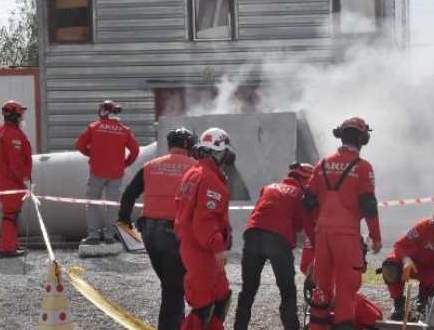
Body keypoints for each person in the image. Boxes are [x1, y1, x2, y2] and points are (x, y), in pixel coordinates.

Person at [303, 116, 383, 330]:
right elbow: (369, 205)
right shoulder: (363, 167)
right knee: (347, 290)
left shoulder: (322, 164)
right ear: (363, 138)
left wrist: (317, 230)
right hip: (346, 235)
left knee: (323, 286)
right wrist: (376, 236)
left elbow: (308, 200)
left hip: (323, 234)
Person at [117, 127, 197, 330]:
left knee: (170, 284)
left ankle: (177, 323)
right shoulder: (195, 168)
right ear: (189, 146)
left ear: (170, 146)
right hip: (174, 232)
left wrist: (124, 222)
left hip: (149, 232)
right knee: (173, 288)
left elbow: (128, 194)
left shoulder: (151, 166)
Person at [233, 162, 315, 330]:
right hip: (278, 238)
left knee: (248, 290)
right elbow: (306, 226)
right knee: (287, 291)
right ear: (305, 179)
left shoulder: (269, 187)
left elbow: (257, 212)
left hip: (253, 234)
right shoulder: (301, 195)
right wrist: (318, 246)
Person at [175, 128, 236, 330]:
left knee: (222, 295)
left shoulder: (192, 173)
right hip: (202, 250)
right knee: (203, 305)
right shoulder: (210, 179)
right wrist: (218, 246)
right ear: (219, 152)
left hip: (194, 245)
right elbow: (205, 219)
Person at [381, 201, 434, 321]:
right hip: (413, 265)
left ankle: (424, 297)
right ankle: (398, 303)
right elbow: (399, 245)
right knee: (391, 266)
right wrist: (406, 260)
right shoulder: (422, 227)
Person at [75, 100, 139, 245]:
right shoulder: (124, 130)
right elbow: (135, 151)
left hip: (97, 172)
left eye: (101, 110)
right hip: (116, 174)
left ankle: (93, 236)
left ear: (106, 112)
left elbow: (79, 145)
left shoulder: (94, 127)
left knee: (92, 204)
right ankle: (110, 236)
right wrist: (124, 164)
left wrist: (92, 154)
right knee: (113, 205)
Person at [300, 235, 382, 330]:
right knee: (373, 317)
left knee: (376, 313)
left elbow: (305, 266)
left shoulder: (319, 236)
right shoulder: (345, 247)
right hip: (333, 299)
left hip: (321, 297)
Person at [0, 101, 32, 259]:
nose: (22, 117)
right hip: (10, 181)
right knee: (11, 214)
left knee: (12, 213)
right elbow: (15, 161)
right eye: (21, 114)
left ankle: (12, 244)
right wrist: (25, 177)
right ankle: (7, 249)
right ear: (15, 116)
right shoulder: (13, 134)